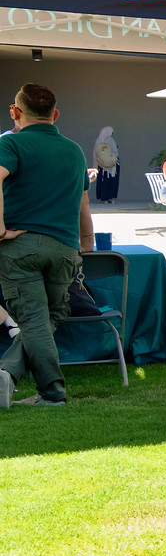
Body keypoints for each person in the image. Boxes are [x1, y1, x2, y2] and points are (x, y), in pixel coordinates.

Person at [0, 83, 93, 408]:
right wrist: (87, 240)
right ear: (55, 114)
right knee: (52, 314)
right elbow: (83, 204)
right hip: (66, 247)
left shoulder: (11, 143)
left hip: (21, 247)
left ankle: (49, 394)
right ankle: (10, 374)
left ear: (15, 112)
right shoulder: (74, 150)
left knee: (36, 319)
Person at [92, 127, 119, 202]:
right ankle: (111, 197)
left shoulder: (98, 140)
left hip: (101, 164)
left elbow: (95, 153)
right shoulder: (110, 140)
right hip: (111, 164)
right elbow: (115, 151)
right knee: (112, 180)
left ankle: (102, 197)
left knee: (102, 180)